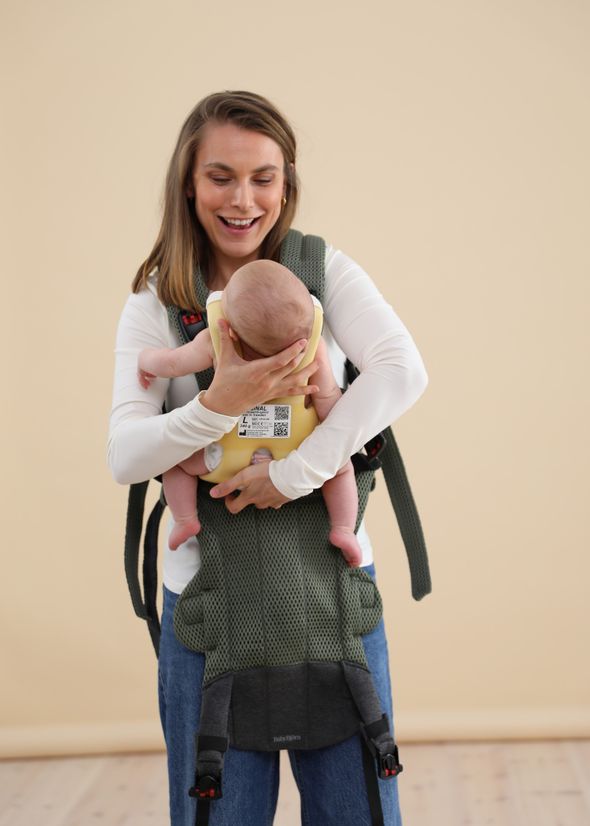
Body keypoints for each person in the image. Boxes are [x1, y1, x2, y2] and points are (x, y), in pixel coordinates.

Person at [108, 90, 428, 825]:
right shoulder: (157, 303)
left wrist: (292, 474)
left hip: (331, 599)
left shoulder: (322, 275)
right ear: (188, 183)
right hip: (208, 607)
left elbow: (403, 371)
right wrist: (217, 404)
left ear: (286, 185)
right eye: (220, 177)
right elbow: (125, 456)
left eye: (264, 178)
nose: (243, 200)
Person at [137, 258, 363, 566]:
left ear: (228, 320)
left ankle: (185, 519)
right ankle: (344, 529)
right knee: (341, 467)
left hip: (222, 453)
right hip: (294, 451)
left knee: (175, 462)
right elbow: (328, 401)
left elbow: (173, 364)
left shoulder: (217, 341)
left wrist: (145, 361)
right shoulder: (312, 350)